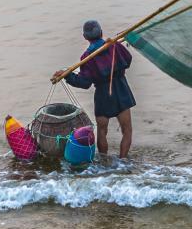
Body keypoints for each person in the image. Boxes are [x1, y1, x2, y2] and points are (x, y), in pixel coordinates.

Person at [52, 20, 135, 159]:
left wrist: (68, 76)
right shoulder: (113, 45)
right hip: (121, 90)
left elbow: (84, 83)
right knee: (127, 130)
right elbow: (128, 61)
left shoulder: (86, 57)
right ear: (101, 32)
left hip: (103, 95)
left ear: (85, 37)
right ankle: (123, 160)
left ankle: (103, 160)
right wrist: (116, 45)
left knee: (102, 131)